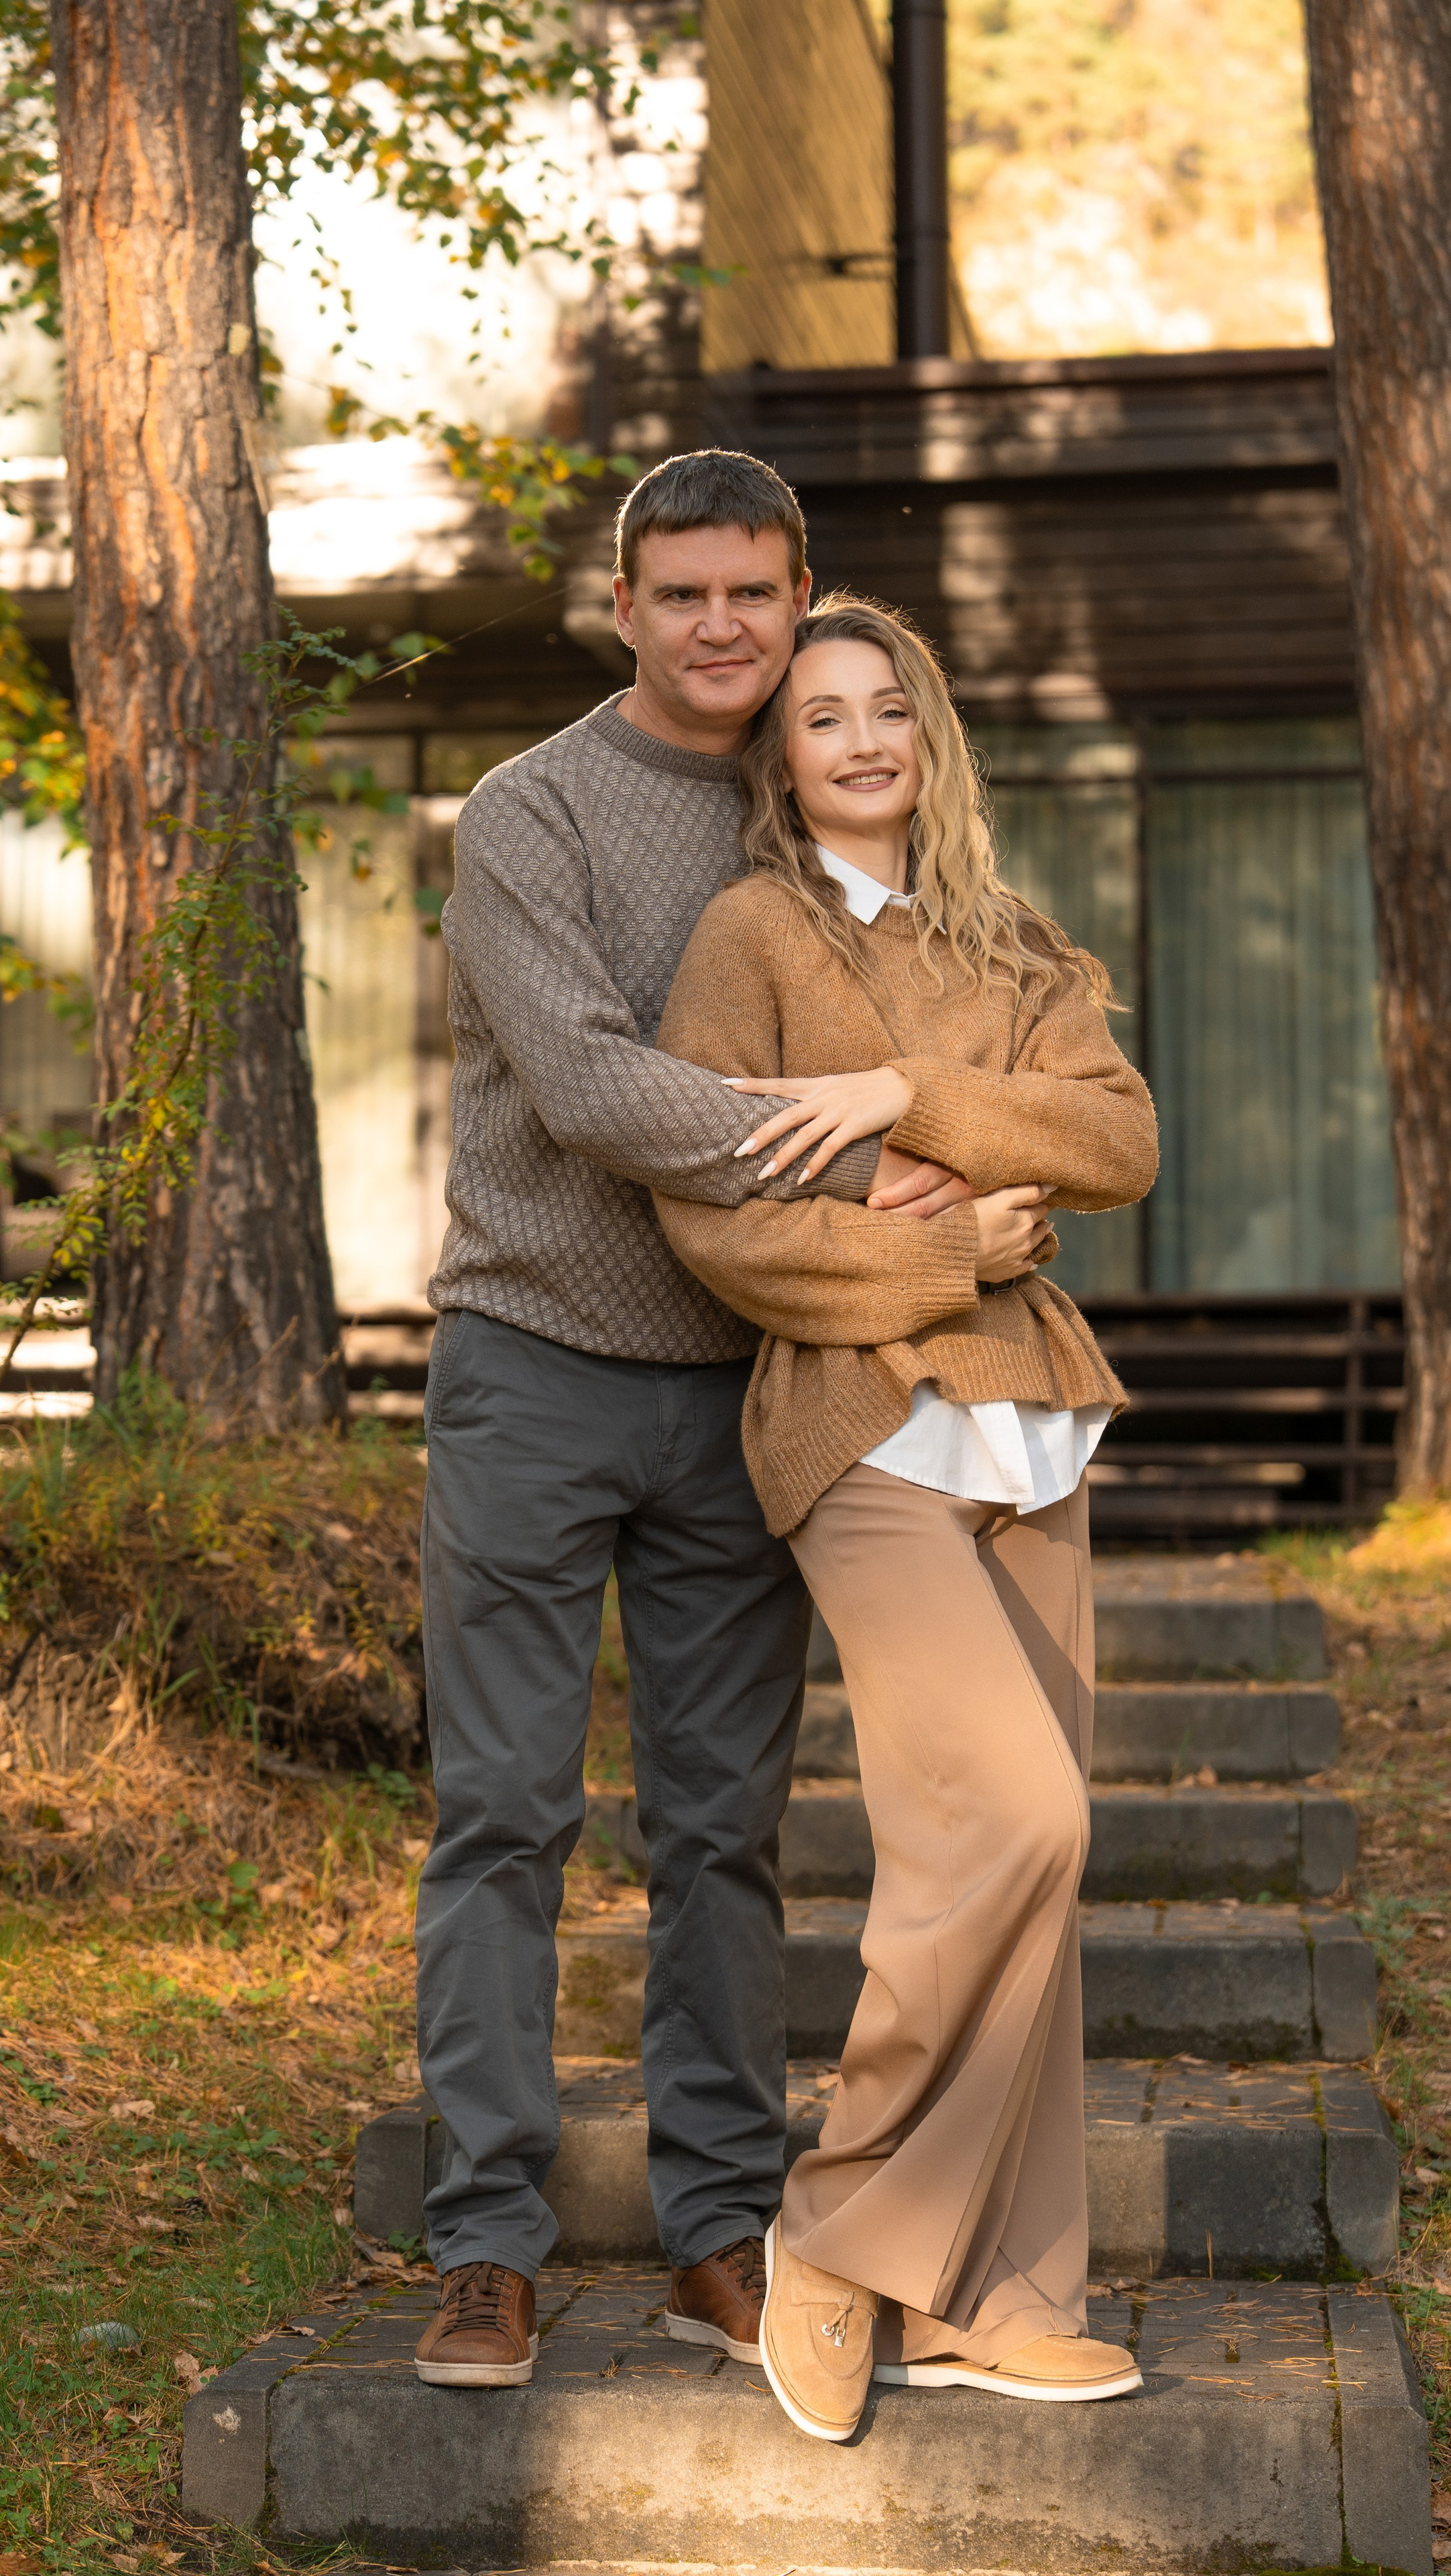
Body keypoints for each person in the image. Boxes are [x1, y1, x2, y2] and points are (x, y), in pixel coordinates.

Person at [408, 456, 974, 2390]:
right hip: (535, 1368)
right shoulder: (530, 812)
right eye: (686, 593)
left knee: (724, 1830)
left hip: (752, 1382)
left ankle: (715, 2230)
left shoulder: (811, 788)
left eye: (756, 591)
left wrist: (950, 1129)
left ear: (801, 589)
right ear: (625, 605)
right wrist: (865, 1145)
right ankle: (486, 2240)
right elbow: (583, 1081)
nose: (724, 626)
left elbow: (953, 1002)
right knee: (503, 1816)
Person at [651, 594, 1160, 2438]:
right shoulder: (749, 935)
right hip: (857, 1432)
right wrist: (952, 1234)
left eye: (888, 708)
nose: (859, 739)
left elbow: (1119, 1140)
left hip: (1033, 1439)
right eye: (821, 715)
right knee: (1011, 1816)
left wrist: (903, 1096)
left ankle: (1005, 2297)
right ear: (779, 758)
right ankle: (842, 2225)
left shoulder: (1018, 945)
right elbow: (719, 1217)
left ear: (928, 736)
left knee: (1029, 1877)